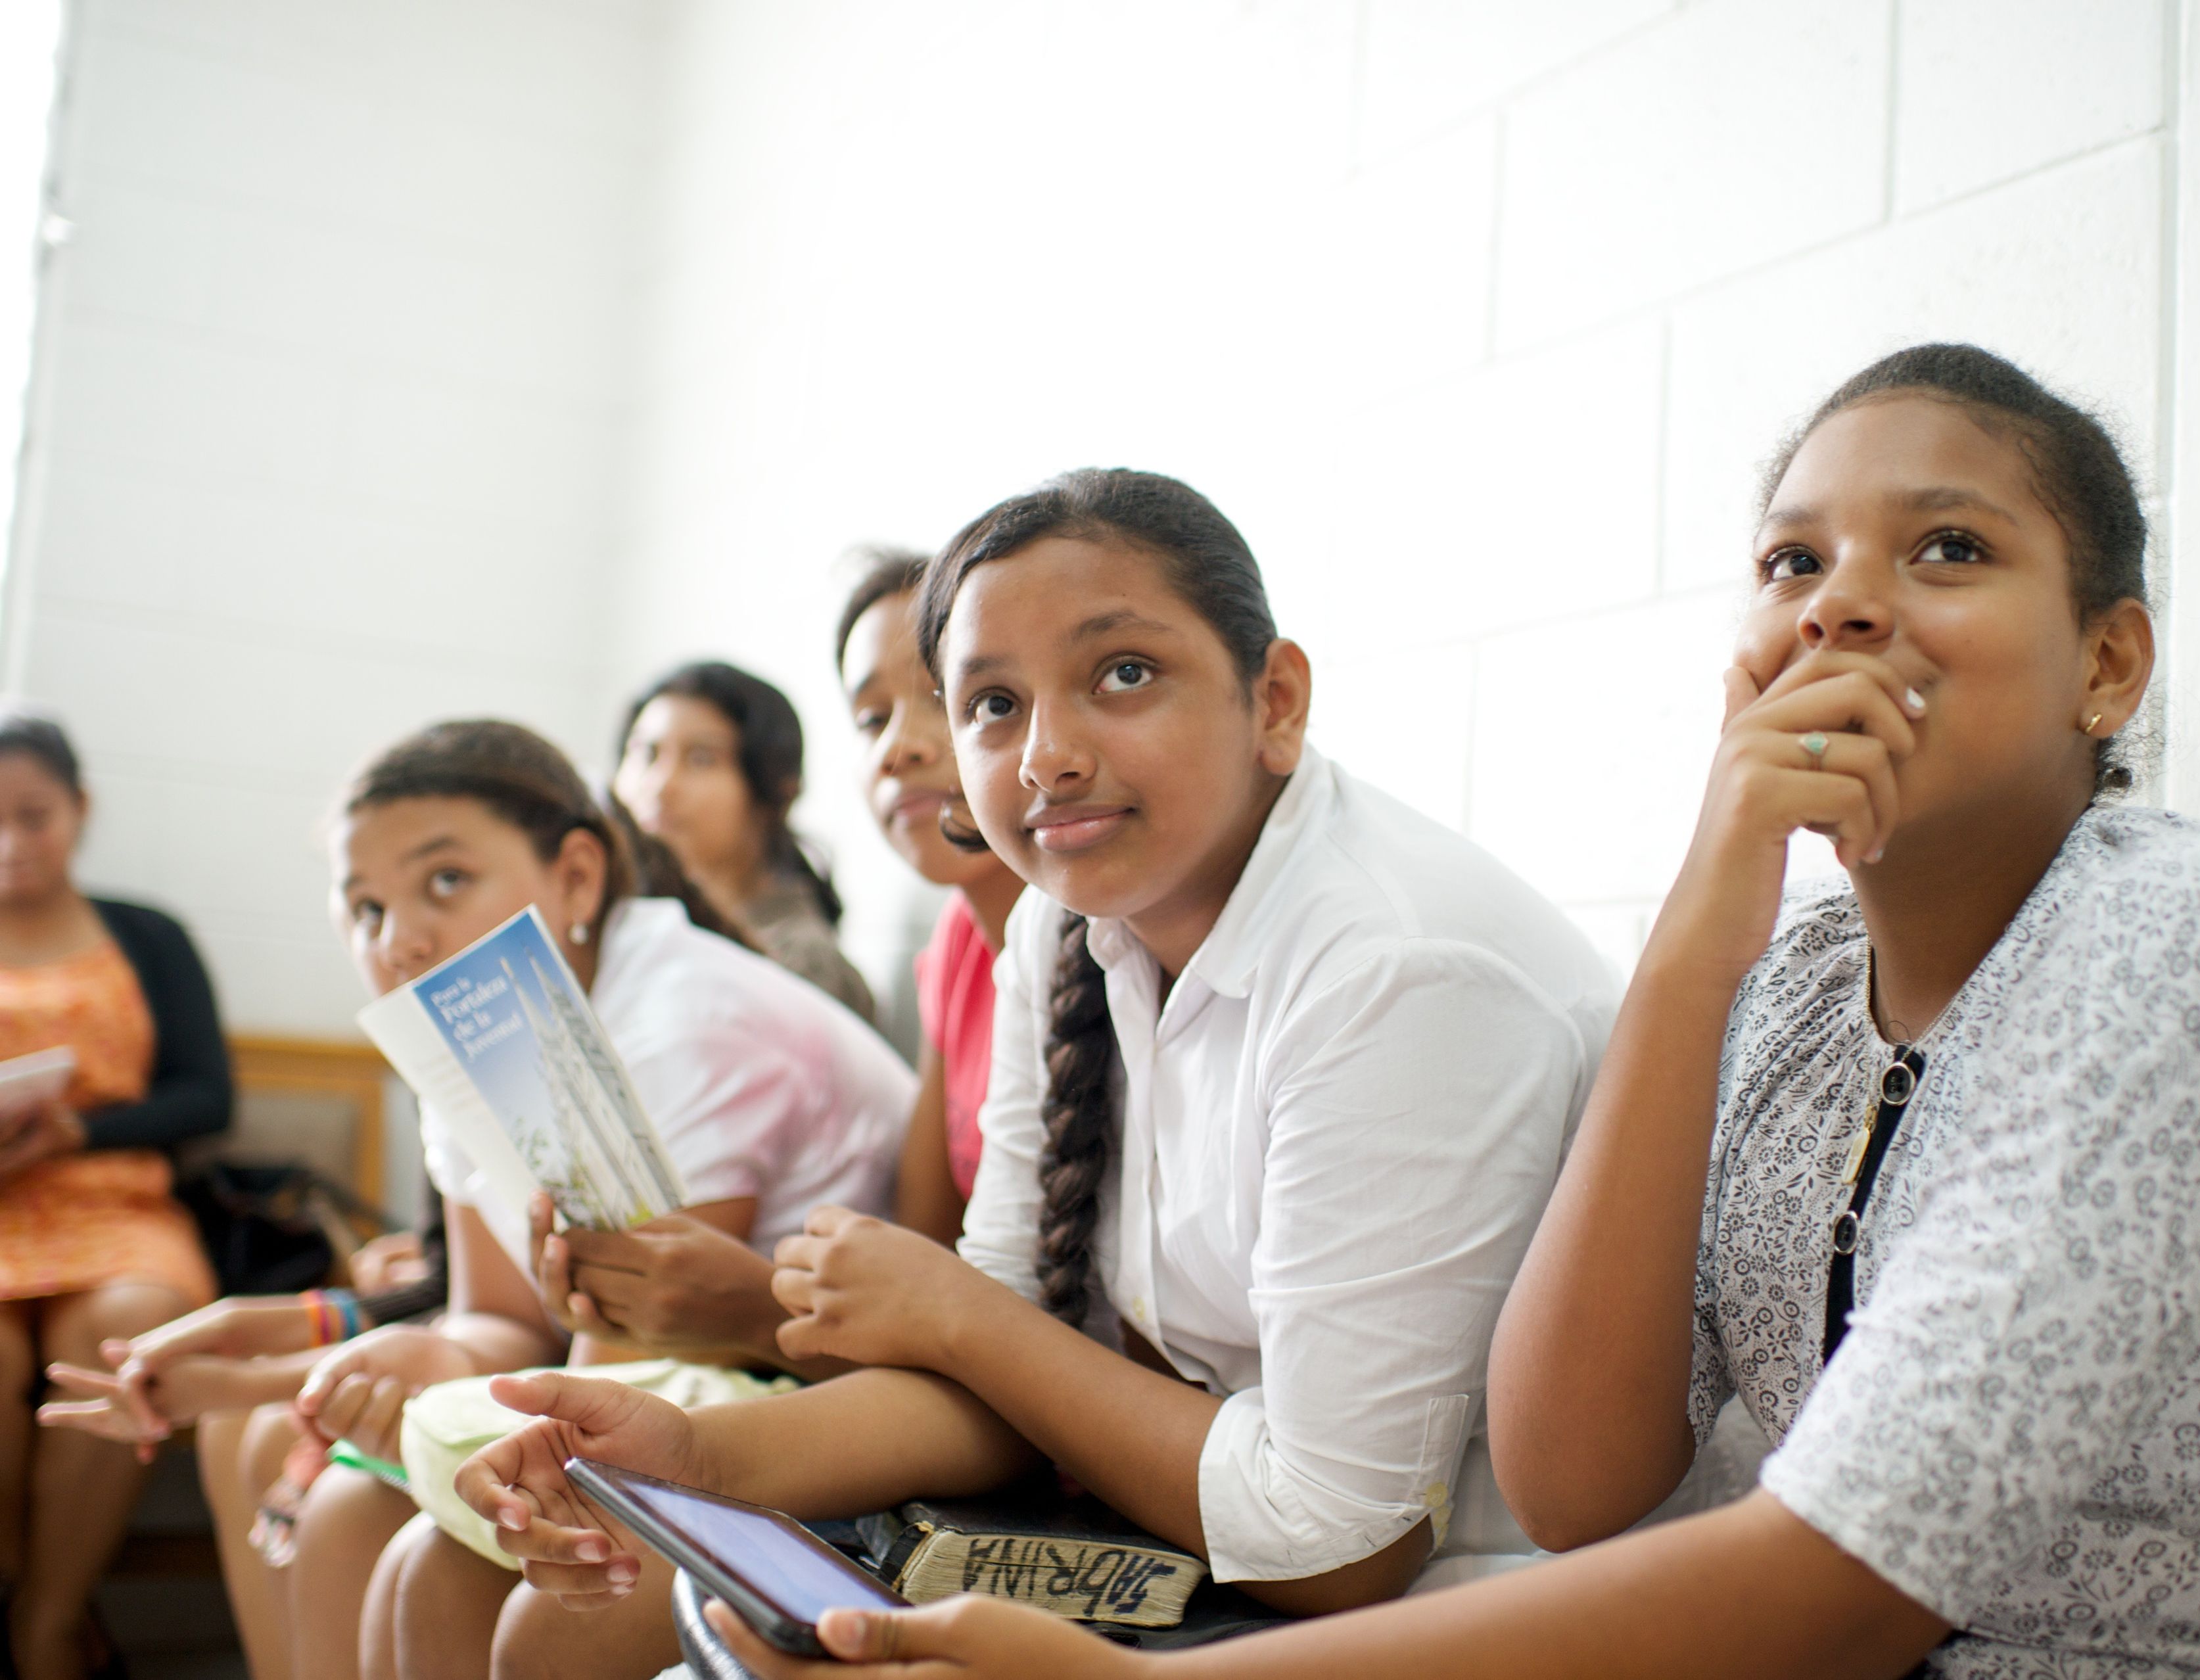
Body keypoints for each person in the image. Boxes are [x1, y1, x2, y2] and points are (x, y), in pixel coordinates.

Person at [666, 344, 2200, 1680]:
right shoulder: (1790, 987)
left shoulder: (2179, 945)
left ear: (2110, 662)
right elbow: (1584, 1465)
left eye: (1944, 549)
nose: (1848, 599)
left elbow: (1842, 1583)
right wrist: (1698, 942)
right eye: (1793, 562)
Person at [452, 467, 1622, 1678]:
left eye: (1123, 674)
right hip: (1225, 1557)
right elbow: (993, 1383)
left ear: (1274, 700)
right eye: (995, 704)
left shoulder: (1394, 969)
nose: (1048, 756)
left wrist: (961, 1317)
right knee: (576, 1620)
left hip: (1458, 1608)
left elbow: (1343, 1539)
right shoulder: (1061, 930)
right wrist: (688, 1455)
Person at [41, 719, 915, 1680]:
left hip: (817, 1406)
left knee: (366, 1522)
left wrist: (275, 1378)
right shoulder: (485, 1029)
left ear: (577, 878)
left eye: (446, 882)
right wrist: (366, 1360)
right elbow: (500, 1323)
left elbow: (624, 1366)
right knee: (319, 1486)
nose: (400, 939)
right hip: (656, 1384)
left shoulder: (684, 1021)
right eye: (364, 908)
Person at [0, 709, 231, 1680]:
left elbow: (206, 1094)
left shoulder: (150, 936)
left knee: (126, 1335)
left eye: (35, 816)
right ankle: (20, 1594)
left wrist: (80, 1128)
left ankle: (47, 1629)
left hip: (120, 1212)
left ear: (80, 812)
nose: (12, 844)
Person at [835, 549, 1026, 1244]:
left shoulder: (1119, 942)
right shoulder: (959, 939)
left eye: (948, 696)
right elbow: (925, 1242)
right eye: (870, 717)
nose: (897, 749)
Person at [614, 661, 878, 1021]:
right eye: (647, 754)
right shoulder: (629, 931)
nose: (660, 785)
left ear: (774, 792)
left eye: (701, 759)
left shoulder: (806, 968)